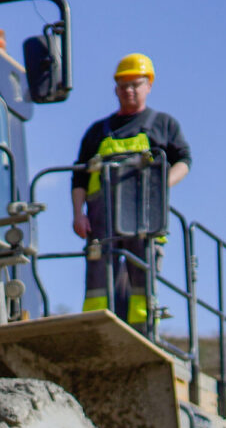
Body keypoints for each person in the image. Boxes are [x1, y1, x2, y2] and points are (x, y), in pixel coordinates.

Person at [71, 53, 190, 324]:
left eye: (135, 84)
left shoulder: (163, 125)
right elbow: (78, 178)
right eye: (123, 85)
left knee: (142, 282)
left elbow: (184, 160)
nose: (129, 90)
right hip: (101, 223)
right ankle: (96, 328)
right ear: (116, 89)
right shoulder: (97, 131)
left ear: (148, 85)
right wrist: (78, 214)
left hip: (145, 219)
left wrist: (162, 185)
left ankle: (143, 330)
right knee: (98, 284)